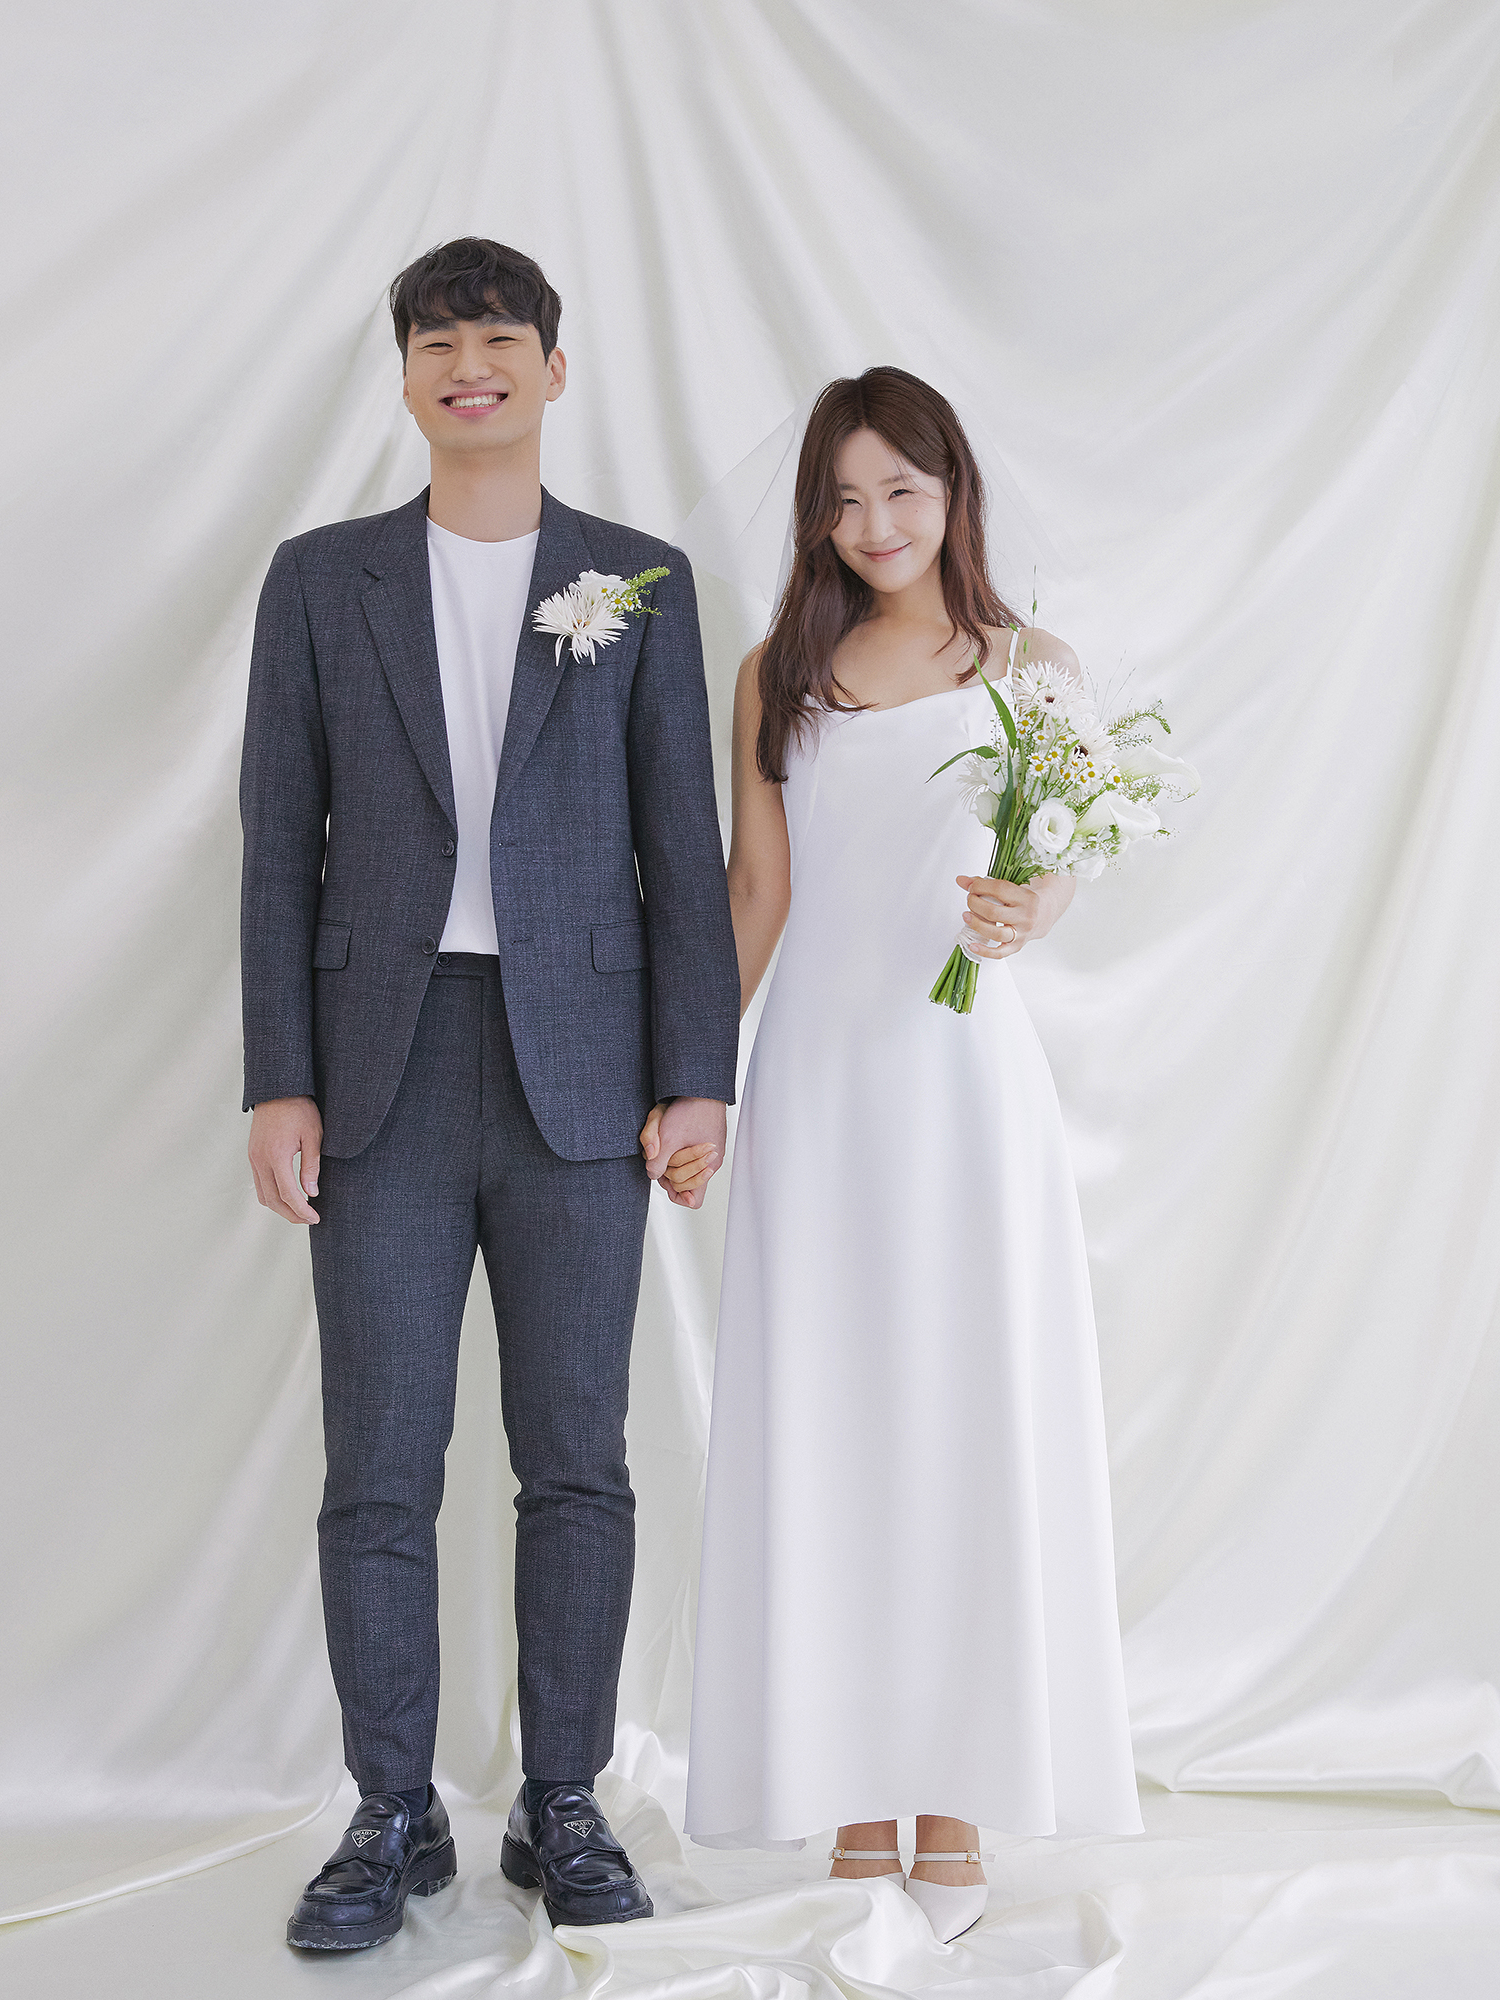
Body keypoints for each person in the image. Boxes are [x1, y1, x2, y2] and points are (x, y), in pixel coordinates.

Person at [240, 237, 739, 1951]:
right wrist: (278, 1081)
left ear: (553, 369)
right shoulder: (323, 580)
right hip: (376, 1066)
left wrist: (696, 1077)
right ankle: (390, 1813)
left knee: (578, 1459)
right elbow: (276, 848)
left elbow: (682, 846)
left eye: (500, 338)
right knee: (378, 1465)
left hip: (580, 1075)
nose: (471, 365)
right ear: (404, 378)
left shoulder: (638, 581)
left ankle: (563, 1800)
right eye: (439, 343)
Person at [657, 367, 1142, 1943]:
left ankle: (957, 1810)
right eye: (846, 498)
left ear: (953, 494)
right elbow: (756, 896)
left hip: (965, 1092)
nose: (875, 524)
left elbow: (1060, 864)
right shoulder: (776, 675)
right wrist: (694, 1085)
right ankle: (855, 1808)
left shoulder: (1031, 670)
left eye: (903, 492)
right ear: (815, 512)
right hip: (817, 1087)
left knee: (962, 1419)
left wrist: (1031, 905)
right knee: (831, 1423)